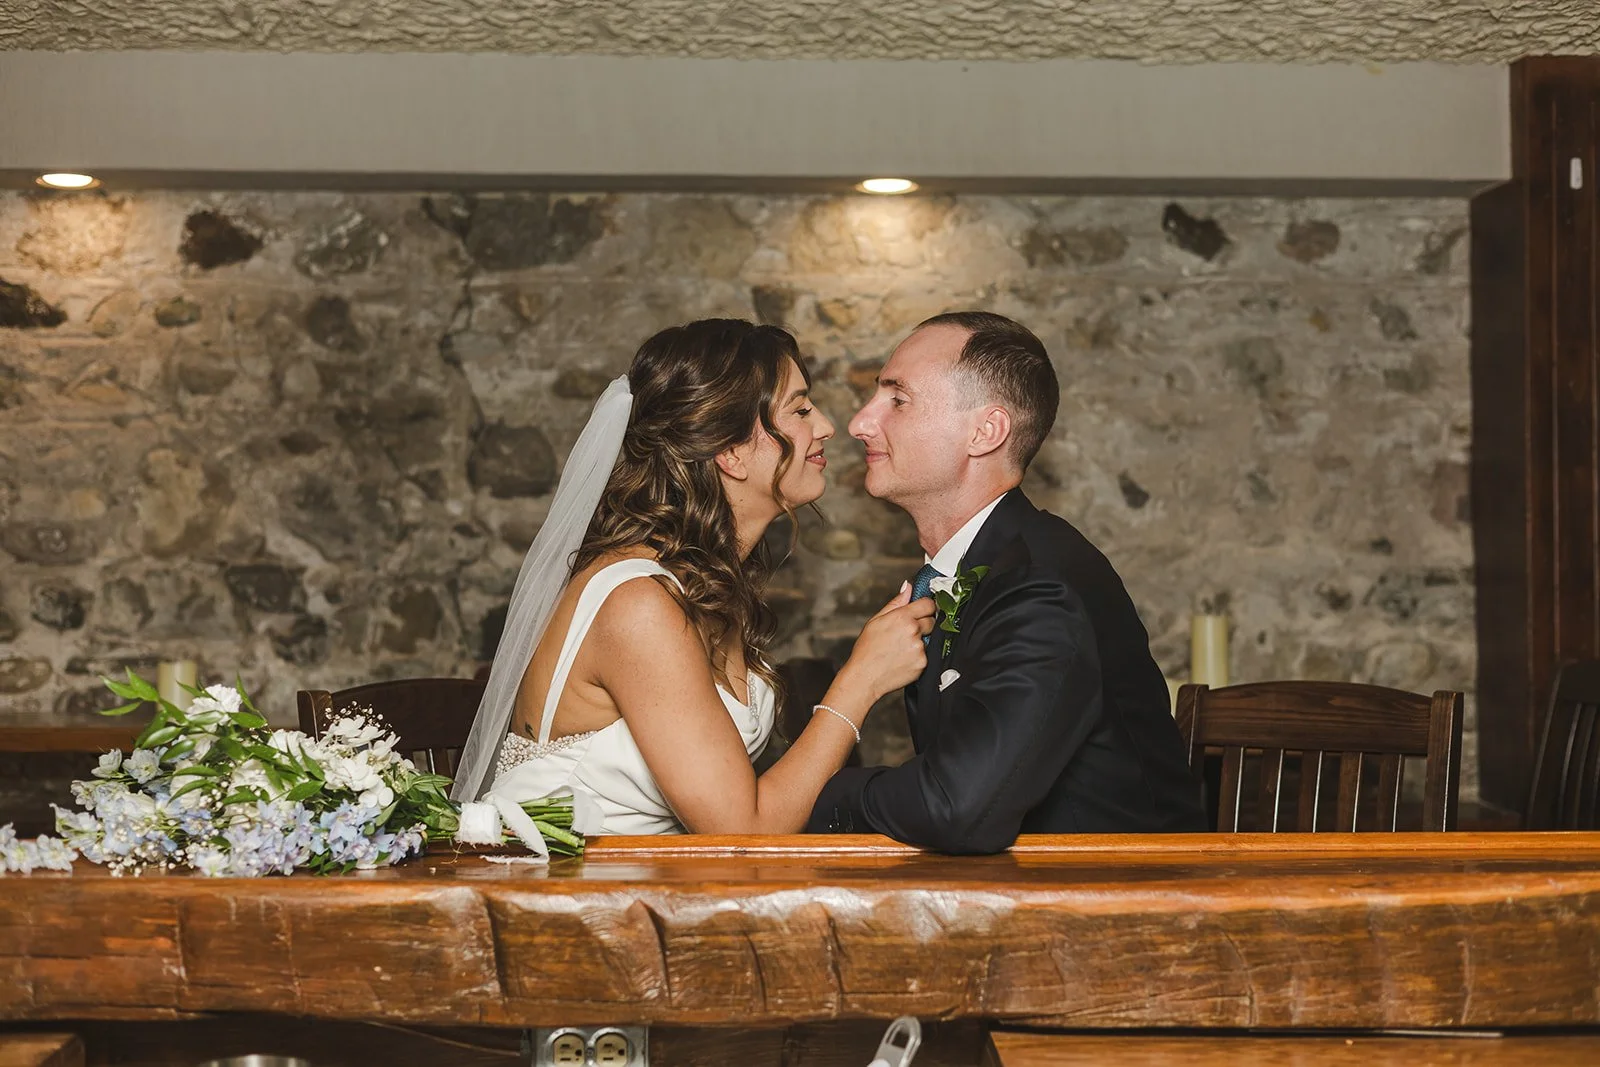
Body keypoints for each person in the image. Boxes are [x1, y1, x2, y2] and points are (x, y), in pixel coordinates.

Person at [453, 319, 934, 837]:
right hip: (562, 898)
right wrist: (859, 682)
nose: (826, 426)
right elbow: (741, 833)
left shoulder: (701, 583)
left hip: (660, 886)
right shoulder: (637, 602)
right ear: (729, 452)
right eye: (799, 409)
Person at [806, 311, 1207, 851]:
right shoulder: (986, 564)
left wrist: (817, 796)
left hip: (1113, 903)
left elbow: (957, 807)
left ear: (985, 432)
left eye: (897, 400)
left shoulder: (1041, 586)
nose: (859, 422)